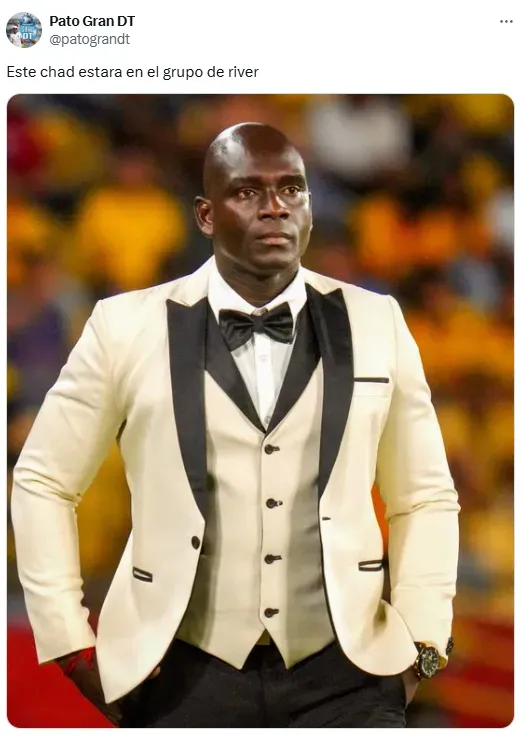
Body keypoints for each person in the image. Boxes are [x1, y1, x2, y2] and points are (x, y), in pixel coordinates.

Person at [11, 122, 460, 728]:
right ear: (204, 214)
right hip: (180, 676)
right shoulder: (123, 327)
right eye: (248, 192)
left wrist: (425, 643)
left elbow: (425, 496)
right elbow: (42, 481)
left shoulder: (378, 320)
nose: (275, 207)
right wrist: (70, 644)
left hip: (349, 676)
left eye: (292, 189)